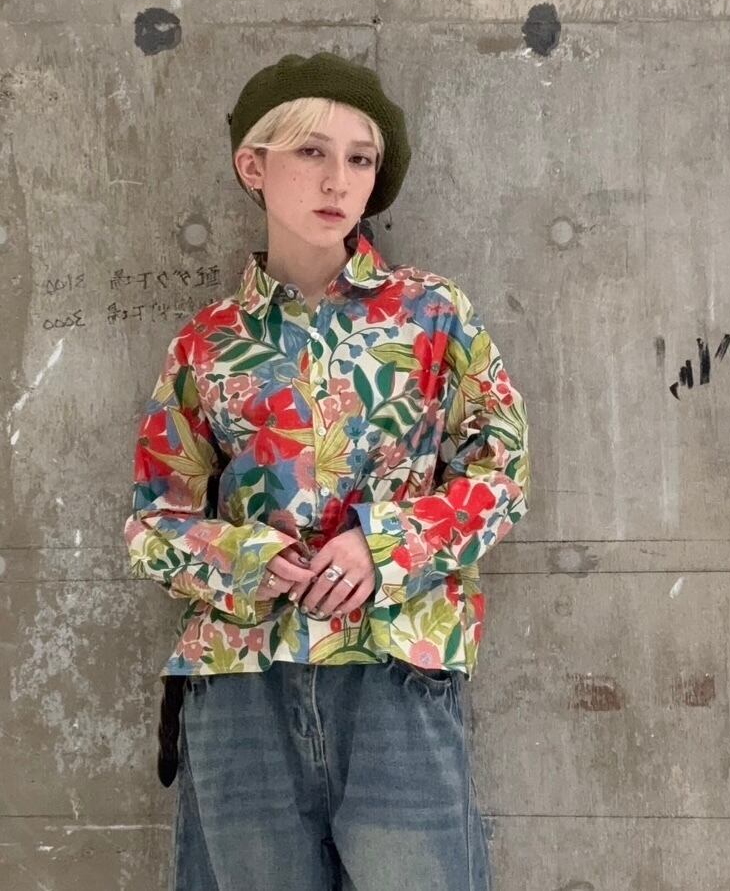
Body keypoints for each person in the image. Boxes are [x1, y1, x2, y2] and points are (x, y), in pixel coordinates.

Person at [124, 51, 531, 891]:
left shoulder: (431, 314)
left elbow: (502, 472)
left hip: (395, 672)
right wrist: (248, 558)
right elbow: (155, 519)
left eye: (359, 158)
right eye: (310, 150)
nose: (337, 179)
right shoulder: (207, 342)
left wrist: (381, 547)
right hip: (240, 682)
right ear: (254, 166)